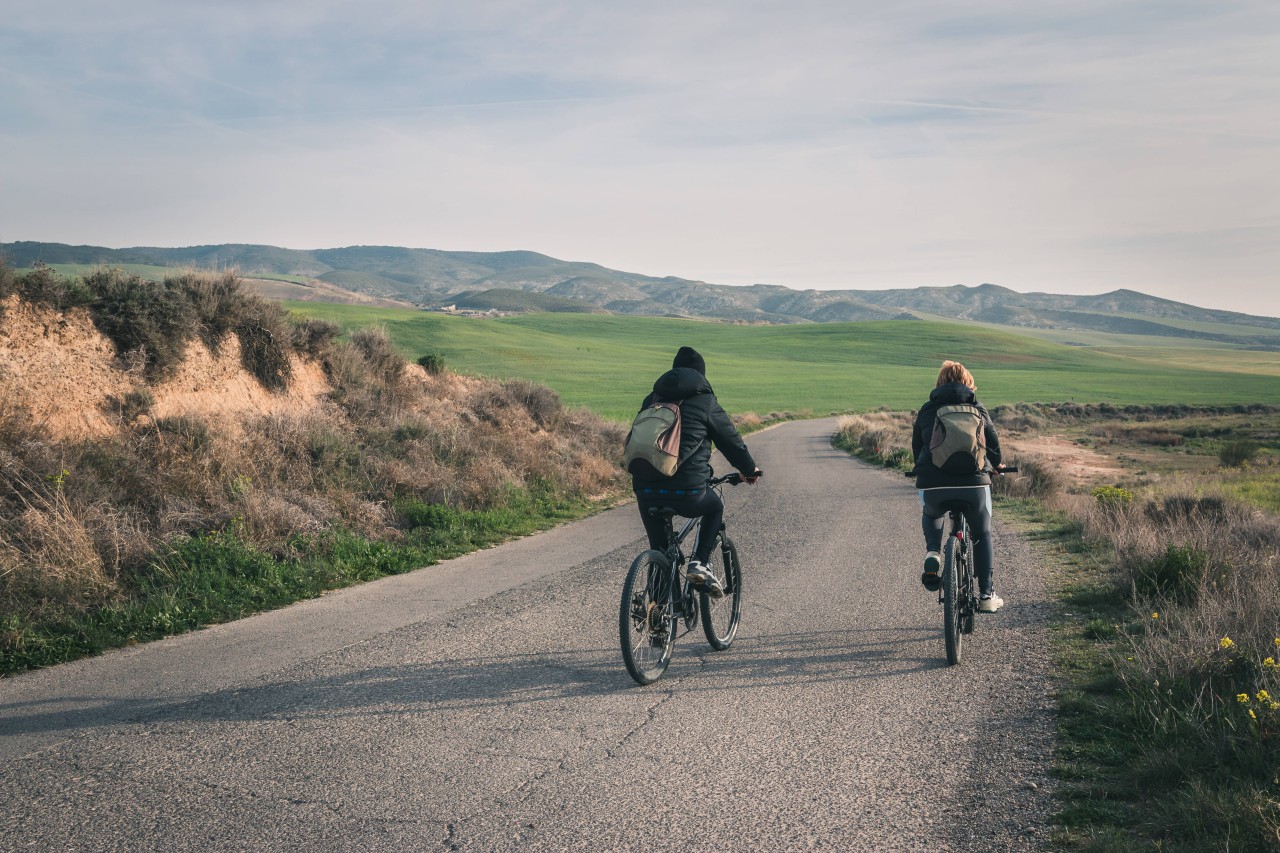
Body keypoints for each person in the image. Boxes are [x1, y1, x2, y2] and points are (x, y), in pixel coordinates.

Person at [631, 346, 761, 598]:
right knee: (714, 508)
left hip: (644, 488)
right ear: (701, 375)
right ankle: (700, 562)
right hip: (688, 491)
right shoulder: (706, 402)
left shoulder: (652, 400)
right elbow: (731, 442)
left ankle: (658, 624)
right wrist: (749, 470)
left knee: (659, 548)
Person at [911, 360, 1005, 612]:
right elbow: (993, 444)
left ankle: (933, 552)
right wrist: (996, 464)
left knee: (931, 512)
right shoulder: (977, 407)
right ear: (968, 382)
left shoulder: (928, 409)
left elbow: (918, 446)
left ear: (939, 382)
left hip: (934, 484)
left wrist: (921, 469)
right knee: (982, 533)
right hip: (974, 484)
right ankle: (986, 595)